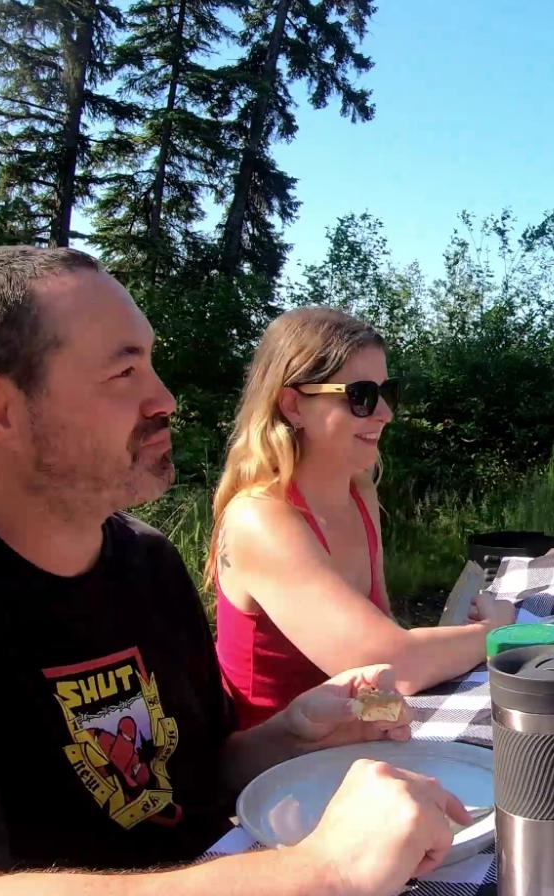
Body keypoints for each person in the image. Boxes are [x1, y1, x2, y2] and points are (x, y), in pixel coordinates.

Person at [0, 247, 474, 896]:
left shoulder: (145, 562)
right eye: (124, 373)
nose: (165, 399)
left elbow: (195, 779)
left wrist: (291, 734)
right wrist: (327, 870)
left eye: (152, 365)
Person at [210, 307, 510, 725]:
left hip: (352, 730)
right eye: (361, 396)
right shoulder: (260, 519)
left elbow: (382, 640)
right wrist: (494, 633)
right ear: (294, 406)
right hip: (282, 758)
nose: (385, 413)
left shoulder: (358, 490)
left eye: (388, 393)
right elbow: (394, 663)